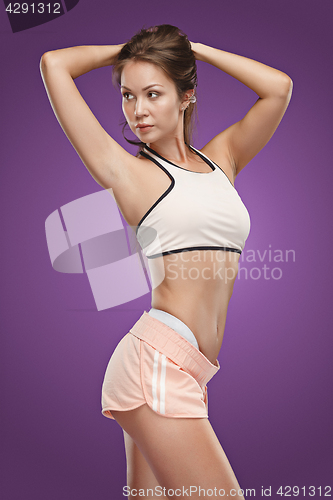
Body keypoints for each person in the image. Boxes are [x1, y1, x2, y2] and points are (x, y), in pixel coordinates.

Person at [40, 24, 292, 499]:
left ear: (186, 95)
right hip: (156, 364)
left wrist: (195, 49)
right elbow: (55, 64)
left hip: (190, 371)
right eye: (127, 95)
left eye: (153, 93)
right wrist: (130, 51)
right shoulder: (130, 174)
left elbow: (278, 89)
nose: (137, 110)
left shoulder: (223, 159)